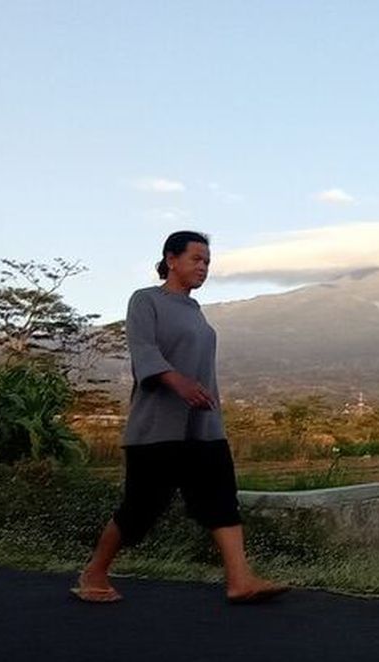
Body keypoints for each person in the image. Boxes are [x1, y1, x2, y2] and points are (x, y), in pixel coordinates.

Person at [73, 231, 289, 604]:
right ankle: (94, 574)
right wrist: (178, 383)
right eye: (196, 259)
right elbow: (144, 350)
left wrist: (201, 398)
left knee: (222, 498)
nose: (203, 267)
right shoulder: (146, 301)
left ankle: (240, 580)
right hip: (158, 428)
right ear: (171, 260)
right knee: (140, 508)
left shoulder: (195, 311)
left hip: (203, 426)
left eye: (207, 262)